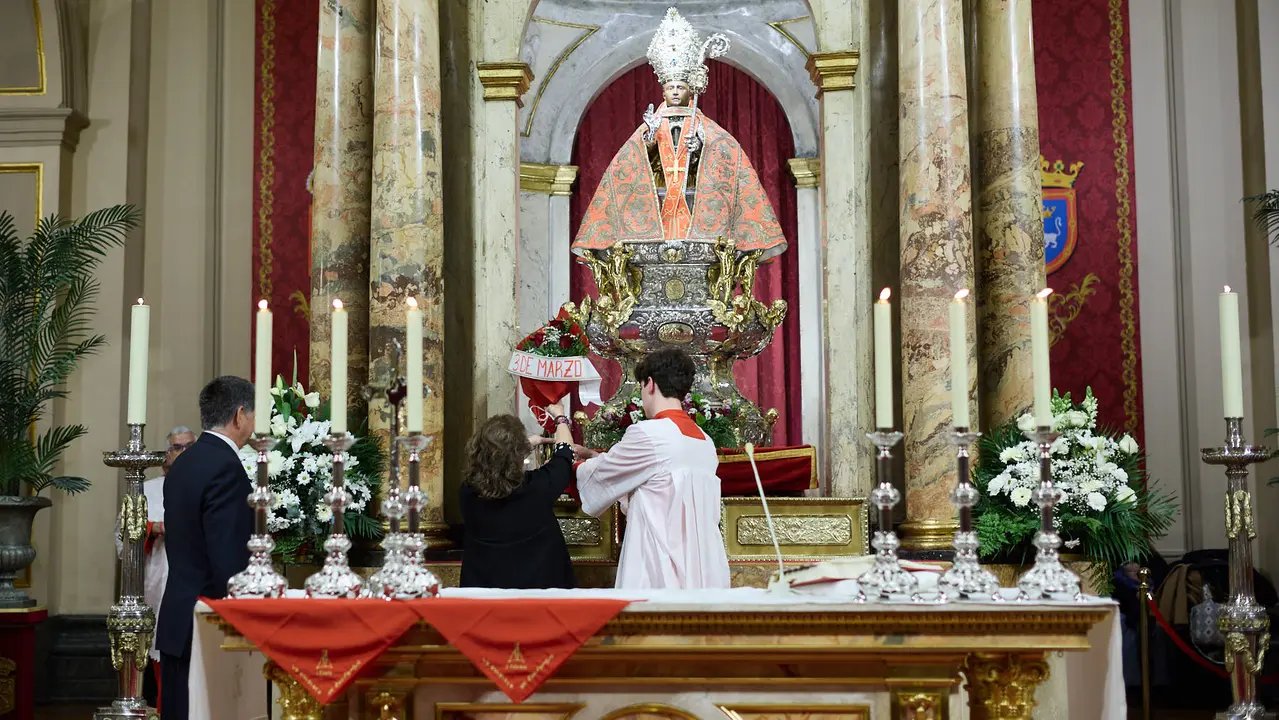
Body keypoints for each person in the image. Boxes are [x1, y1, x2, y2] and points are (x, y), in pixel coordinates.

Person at [572, 7, 785, 256]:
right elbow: (631, 166)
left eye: (680, 87)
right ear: (663, 91)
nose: (675, 92)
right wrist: (649, 140)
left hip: (693, 197)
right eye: (671, 87)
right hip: (660, 198)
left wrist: (701, 149)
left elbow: (725, 156)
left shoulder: (705, 127)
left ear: (689, 91)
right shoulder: (651, 124)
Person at [574, 348, 730, 589]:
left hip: (659, 568)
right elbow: (659, 487)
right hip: (701, 570)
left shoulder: (648, 434)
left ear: (650, 384)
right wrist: (598, 456)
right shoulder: (705, 442)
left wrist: (570, 461)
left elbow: (596, 478)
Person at [156, 378, 255, 720]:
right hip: (208, 625)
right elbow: (227, 558)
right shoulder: (226, 467)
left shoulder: (182, 464)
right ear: (240, 415)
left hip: (177, 618)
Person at [113, 425, 196, 711]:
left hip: (192, 584)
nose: (183, 453)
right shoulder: (145, 490)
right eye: (177, 447)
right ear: (165, 455)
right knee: (156, 652)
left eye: (189, 447)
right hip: (155, 583)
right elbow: (123, 537)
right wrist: (154, 528)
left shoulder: (203, 486)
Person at [460, 406, 576, 589]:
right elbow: (565, 452)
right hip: (540, 596)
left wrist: (523, 446)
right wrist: (560, 417)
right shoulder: (538, 488)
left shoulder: (468, 493)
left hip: (485, 596)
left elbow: (495, 461)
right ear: (519, 455)